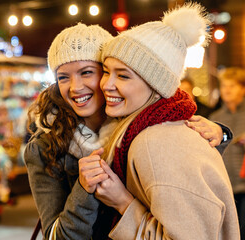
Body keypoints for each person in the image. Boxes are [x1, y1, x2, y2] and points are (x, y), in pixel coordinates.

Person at [25, 23, 232, 240]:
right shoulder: (45, 147)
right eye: (63, 77)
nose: (75, 87)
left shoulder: (138, 125)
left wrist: (218, 134)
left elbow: (188, 178)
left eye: (87, 72)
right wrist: (83, 190)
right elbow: (54, 237)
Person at [79, 3, 240, 239]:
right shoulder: (147, 127)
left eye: (123, 75)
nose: (107, 84)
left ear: (156, 86)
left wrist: (123, 202)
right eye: (106, 71)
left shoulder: (156, 141)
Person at [209, 67, 245, 239]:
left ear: (243, 89)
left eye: (232, 86)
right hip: (223, 188)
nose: (227, 90)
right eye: (224, 86)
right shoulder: (214, 118)